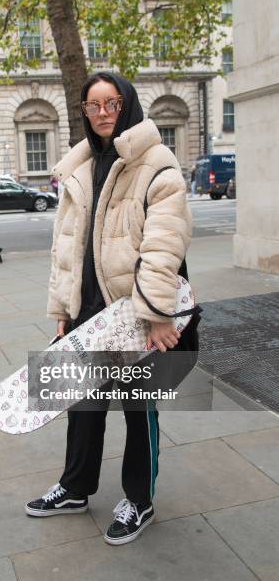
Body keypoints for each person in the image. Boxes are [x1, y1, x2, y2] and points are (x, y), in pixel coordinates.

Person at [25, 72, 192, 545]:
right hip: (88, 313)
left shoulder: (156, 161)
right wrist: (63, 308)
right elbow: (66, 246)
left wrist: (157, 312)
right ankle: (76, 487)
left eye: (111, 103)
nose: (102, 112)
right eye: (92, 105)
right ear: (83, 111)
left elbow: (165, 244)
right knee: (82, 405)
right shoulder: (78, 166)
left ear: (127, 104)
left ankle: (139, 500)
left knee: (138, 409)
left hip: (134, 313)